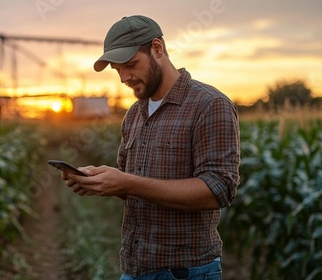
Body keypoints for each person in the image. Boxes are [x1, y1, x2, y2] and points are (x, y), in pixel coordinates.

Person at [61, 15, 240, 280]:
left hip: (185, 272)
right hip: (134, 268)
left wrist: (127, 183)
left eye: (131, 65)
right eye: (117, 69)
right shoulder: (134, 114)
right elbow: (135, 186)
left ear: (157, 48)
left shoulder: (209, 105)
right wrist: (101, 181)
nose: (124, 77)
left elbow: (218, 190)